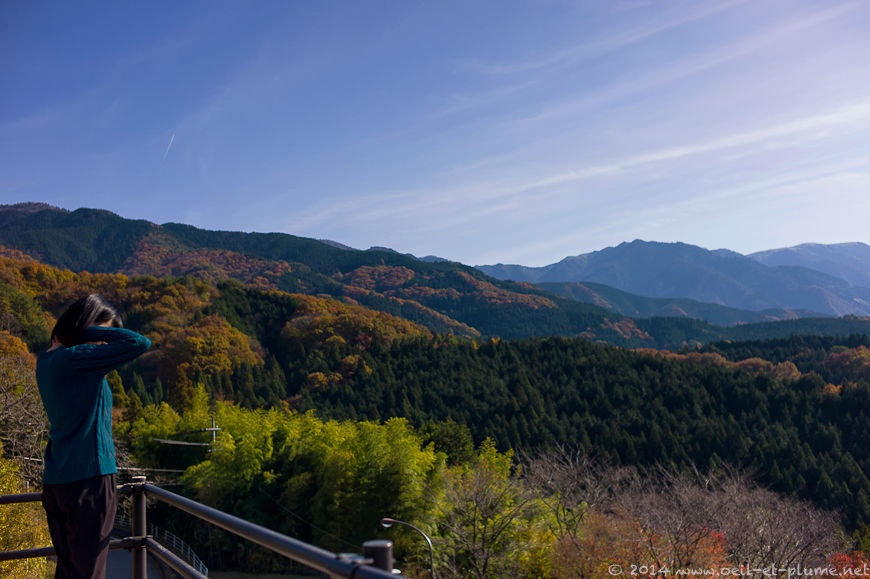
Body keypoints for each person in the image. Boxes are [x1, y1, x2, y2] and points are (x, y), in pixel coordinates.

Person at [36, 294, 151, 579]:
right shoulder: (76, 359)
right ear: (88, 325)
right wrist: (81, 330)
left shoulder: (47, 360)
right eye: (103, 333)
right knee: (90, 573)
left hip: (56, 482)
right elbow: (139, 342)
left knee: (68, 571)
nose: (103, 345)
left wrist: (75, 332)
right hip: (90, 481)